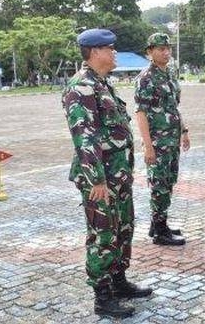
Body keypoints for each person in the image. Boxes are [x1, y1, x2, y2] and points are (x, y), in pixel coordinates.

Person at [62, 29, 152, 319]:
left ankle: (119, 282)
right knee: (103, 235)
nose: (114, 53)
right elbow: (84, 138)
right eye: (110, 49)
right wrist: (96, 180)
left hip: (118, 175)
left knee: (123, 227)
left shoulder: (101, 84)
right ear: (95, 52)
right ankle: (102, 297)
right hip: (100, 179)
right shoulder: (81, 87)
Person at [135, 32, 188, 246]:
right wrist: (148, 147)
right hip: (157, 143)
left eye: (167, 48)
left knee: (168, 182)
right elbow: (141, 114)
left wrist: (184, 131)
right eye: (160, 49)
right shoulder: (146, 78)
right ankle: (159, 232)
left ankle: (158, 223)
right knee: (159, 185)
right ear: (150, 52)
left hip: (171, 141)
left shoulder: (169, 74)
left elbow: (173, 107)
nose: (165, 52)